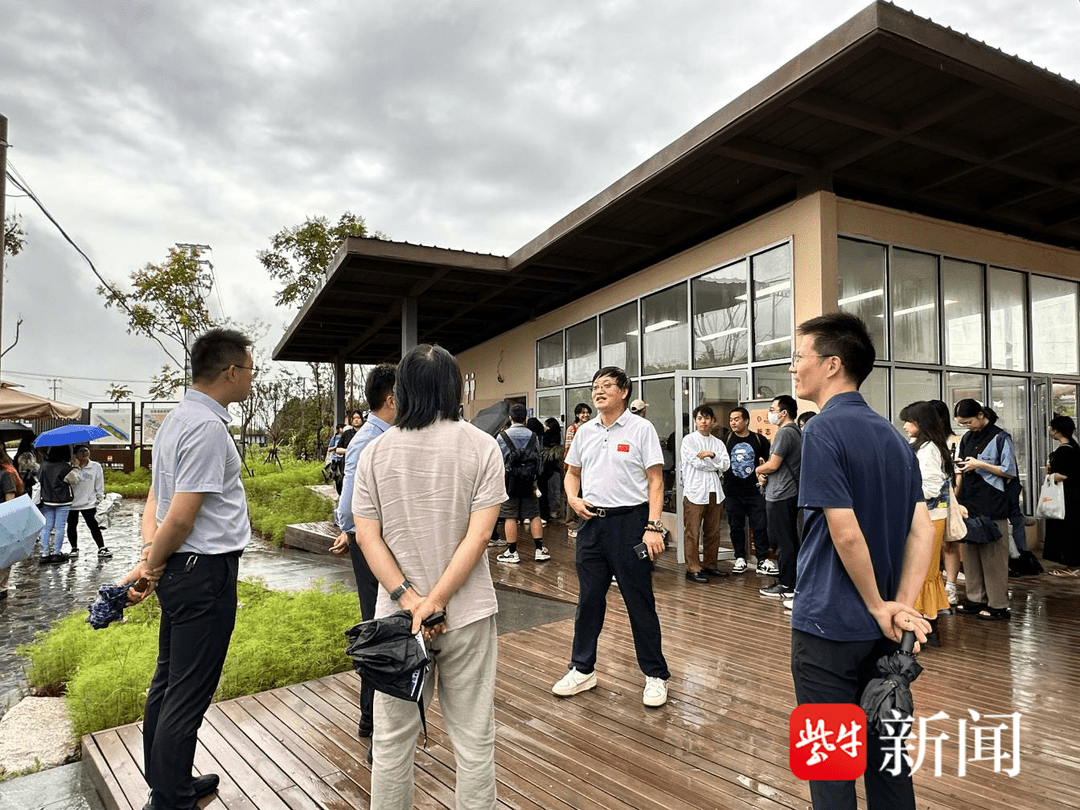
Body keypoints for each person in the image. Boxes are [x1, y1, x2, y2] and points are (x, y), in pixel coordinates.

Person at [790, 312, 934, 810]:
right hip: (888, 633)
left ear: (832, 365)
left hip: (828, 625)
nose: (793, 368)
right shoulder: (895, 438)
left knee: (831, 765)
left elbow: (844, 530)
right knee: (887, 759)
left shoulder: (823, 431)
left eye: (799, 357)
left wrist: (876, 604)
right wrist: (901, 607)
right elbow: (923, 529)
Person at [353, 344, 504, 810]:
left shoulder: (376, 452)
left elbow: (367, 537)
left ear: (403, 391)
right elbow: (478, 538)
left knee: (392, 740)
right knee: (474, 738)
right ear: (453, 388)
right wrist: (435, 601)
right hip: (468, 613)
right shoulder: (482, 446)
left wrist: (411, 600)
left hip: (396, 623)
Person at [121, 327, 255, 810]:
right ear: (232, 371)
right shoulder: (204, 427)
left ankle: (168, 784)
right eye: (250, 370)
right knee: (188, 691)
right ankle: (170, 798)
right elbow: (180, 513)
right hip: (204, 572)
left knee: (169, 680)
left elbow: (156, 502)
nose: (252, 379)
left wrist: (150, 561)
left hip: (183, 568)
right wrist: (150, 565)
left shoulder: (178, 418)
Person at [553, 366, 670, 708]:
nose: (598, 391)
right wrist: (573, 499)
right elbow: (571, 474)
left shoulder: (641, 429)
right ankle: (582, 668)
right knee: (589, 600)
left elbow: (656, 482)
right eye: (595, 386)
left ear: (624, 392)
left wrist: (653, 526)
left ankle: (655, 674)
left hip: (630, 524)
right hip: (592, 526)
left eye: (606, 385)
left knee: (639, 601)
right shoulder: (585, 432)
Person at [329, 363, 397, 742]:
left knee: (384, 622)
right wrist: (350, 530)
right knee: (378, 625)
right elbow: (349, 504)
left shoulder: (381, 434)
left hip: (372, 539)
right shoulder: (369, 439)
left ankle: (376, 717)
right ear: (391, 399)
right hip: (371, 544)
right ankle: (371, 718)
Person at [953, 398, 1016, 621]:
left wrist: (979, 465)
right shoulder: (967, 438)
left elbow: (1009, 471)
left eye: (968, 421)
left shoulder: (1000, 437)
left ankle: (998, 604)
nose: (966, 426)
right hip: (970, 502)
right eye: (962, 423)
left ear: (981, 415)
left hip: (994, 503)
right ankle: (975, 599)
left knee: (993, 558)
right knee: (970, 554)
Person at [899, 401, 953, 645]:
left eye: (909, 421)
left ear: (921, 423)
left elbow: (930, 487)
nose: (905, 426)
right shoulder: (921, 445)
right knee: (918, 570)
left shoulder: (929, 448)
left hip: (930, 517)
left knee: (925, 572)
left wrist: (903, 493)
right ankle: (921, 625)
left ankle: (927, 627)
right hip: (922, 517)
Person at [756, 394, 801, 601]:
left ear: (784, 413)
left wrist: (758, 468)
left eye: (773, 409)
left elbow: (773, 465)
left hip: (782, 495)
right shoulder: (795, 433)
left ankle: (787, 584)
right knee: (786, 540)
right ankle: (789, 581)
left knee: (783, 542)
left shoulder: (785, 433)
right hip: (784, 492)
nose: (770, 413)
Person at [680, 404, 730, 582]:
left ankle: (711, 564)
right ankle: (693, 568)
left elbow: (726, 464)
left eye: (707, 418)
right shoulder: (689, 441)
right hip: (695, 490)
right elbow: (696, 463)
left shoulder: (717, 443)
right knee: (692, 532)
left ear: (713, 421)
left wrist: (711, 455)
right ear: (695, 421)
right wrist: (714, 463)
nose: (703, 422)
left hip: (714, 491)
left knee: (713, 531)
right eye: (700, 418)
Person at [495, 404, 549, 564]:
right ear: (525, 417)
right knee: (534, 514)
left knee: (510, 516)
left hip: (509, 483)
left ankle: (512, 552)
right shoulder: (533, 436)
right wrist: (535, 482)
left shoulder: (502, 437)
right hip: (529, 482)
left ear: (510, 418)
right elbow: (538, 459)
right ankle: (539, 550)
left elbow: (498, 461)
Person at [723, 407, 772, 575]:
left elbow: (770, 461)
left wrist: (763, 476)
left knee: (759, 525)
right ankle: (740, 557)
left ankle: (762, 559)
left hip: (754, 491)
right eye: (731, 420)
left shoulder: (759, 440)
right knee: (735, 526)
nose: (733, 423)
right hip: (732, 492)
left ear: (746, 421)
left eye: (737, 419)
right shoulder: (726, 440)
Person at [1042, 415, 1079, 576]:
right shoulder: (1074, 447)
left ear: (1057, 431)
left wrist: (1049, 475)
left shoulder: (1063, 451)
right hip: (1073, 496)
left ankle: (1072, 566)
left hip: (1065, 498)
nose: (1050, 431)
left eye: (1051, 428)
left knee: (1066, 531)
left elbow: (1062, 475)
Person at [66, 445, 110, 559]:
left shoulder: (95, 466)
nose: (85, 453)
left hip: (89, 502)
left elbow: (99, 485)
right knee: (71, 526)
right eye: (81, 451)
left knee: (94, 526)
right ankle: (74, 548)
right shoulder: (69, 467)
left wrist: (101, 499)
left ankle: (101, 547)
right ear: (75, 455)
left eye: (86, 450)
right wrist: (75, 467)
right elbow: (70, 482)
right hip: (72, 503)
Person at [37, 445, 79, 564]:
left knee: (46, 526)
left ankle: (44, 553)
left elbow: (39, 479)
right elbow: (74, 480)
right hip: (63, 501)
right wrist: (75, 467)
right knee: (60, 527)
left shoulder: (44, 465)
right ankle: (56, 553)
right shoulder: (64, 467)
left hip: (46, 500)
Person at [563, 402, 593, 538]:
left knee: (586, 494)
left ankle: (585, 521)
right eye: (582, 412)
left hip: (589, 467)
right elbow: (568, 449)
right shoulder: (572, 429)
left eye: (587, 412)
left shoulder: (593, 428)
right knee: (574, 495)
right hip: (575, 466)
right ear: (577, 414)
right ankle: (572, 524)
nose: (585, 415)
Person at [0, 444, 24, 597]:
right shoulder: (6, 474)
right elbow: (10, 499)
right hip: (2, 517)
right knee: (3, 553)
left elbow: (10, 499)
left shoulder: (5, 474)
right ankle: (2, 586)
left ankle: (2, 586)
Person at [333, 410, 364, 493]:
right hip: (348, 465)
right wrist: (350, 451)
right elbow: (338, 449)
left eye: (358, 418)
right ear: (351, 420)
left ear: (362, 419)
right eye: (354, 418)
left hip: (363, 465)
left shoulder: (366, 433)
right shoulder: (347, 433)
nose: (356, 420)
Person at [540, 417, 564, 522]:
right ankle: (554, 510)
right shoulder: (557, 436)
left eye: (547, 425)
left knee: (552, 490)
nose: (545, 427)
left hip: (550, 468)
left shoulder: (547, 437)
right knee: (554, 490)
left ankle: (553, 509)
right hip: (554, 468)